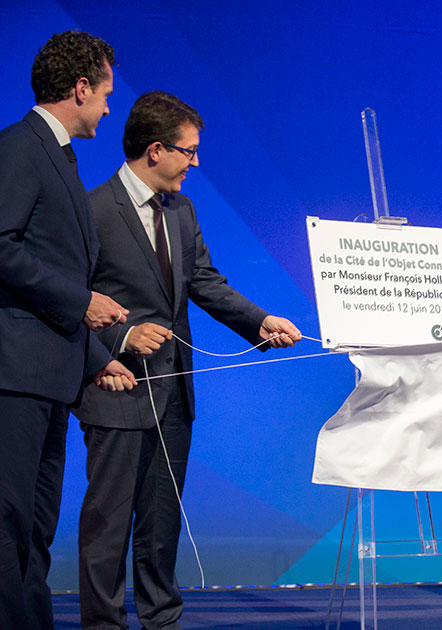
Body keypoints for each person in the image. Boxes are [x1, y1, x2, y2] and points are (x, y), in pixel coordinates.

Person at [74, 90, 302, 630]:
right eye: (189, 151)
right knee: (108, 523)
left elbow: (203, 282)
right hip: (115, 387)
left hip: (174, 392)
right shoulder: (91, 210)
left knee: (161, 521)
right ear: (156, 150)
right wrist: (121, 337)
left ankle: (162, 619)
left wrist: (259, 321)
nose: (195, 163)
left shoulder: (181, 210)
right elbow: (69, 299)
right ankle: (103, 624)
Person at [0, 31, 136, 630]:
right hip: (14, 377)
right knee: (8, 527)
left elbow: (51, 263)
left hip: (51, 378)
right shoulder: (18, 147)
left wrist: (97, 358)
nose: (108, 108)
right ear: (81, 88)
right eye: (105, 94)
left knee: (34, 531)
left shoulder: (59, 156)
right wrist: (82, 302)